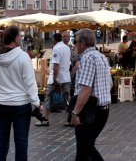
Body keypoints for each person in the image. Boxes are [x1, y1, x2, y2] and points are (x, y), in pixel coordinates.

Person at [0, 25, 41, 161]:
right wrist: (37, 103)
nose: (21, 38)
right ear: (15, 38)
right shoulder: (23, 57)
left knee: (1, 141)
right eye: (20, 36)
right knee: (21, 141)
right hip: (20, 104)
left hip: (1, 104)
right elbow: (30, 82)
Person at [71, 28, 112, 161]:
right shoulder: (101, 56)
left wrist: (75, 113)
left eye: (75, 41)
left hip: (90, 111)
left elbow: (86, 89)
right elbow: (110, 84)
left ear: (82, 43)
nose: (73, 44)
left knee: (86, 148)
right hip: (103, 109)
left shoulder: (87, 58)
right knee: (83, 150)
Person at [38, 32, 72, 126]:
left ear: (53, 39)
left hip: (56, 77)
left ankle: (45, 119)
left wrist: (55, 79)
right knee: (67, 99)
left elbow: (56, 65)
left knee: (48, 97)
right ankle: (71, 119)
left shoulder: (56, 48)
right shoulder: (67, 48)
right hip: (66, 77)